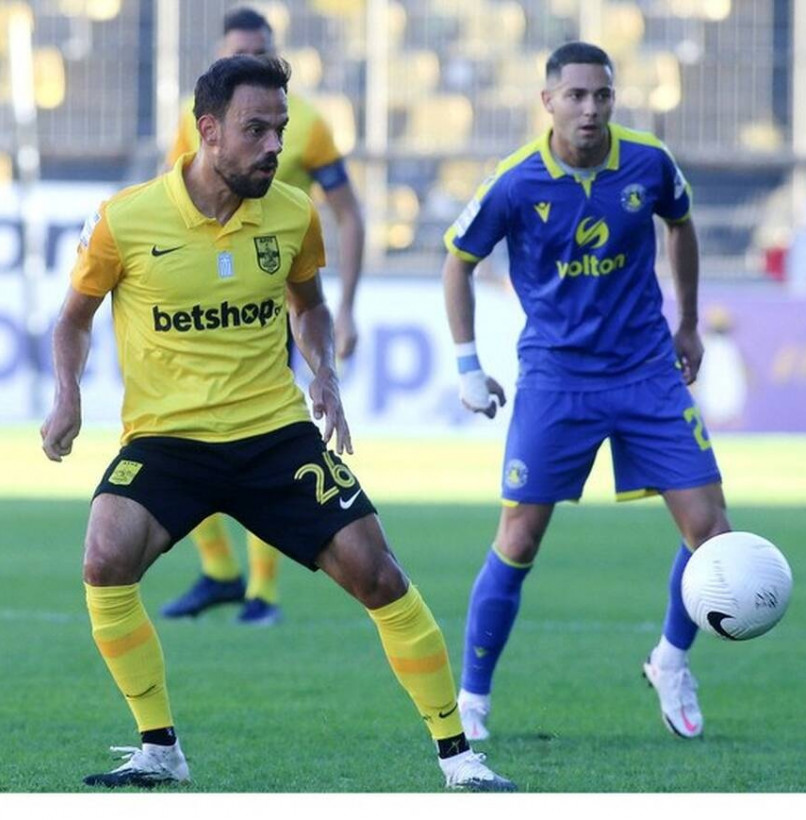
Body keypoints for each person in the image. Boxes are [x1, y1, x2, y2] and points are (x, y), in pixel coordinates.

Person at [40, 54, 514, 792]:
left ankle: (460, 758)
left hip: (273, 437)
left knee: (379, 574)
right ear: (208, 131)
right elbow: (73, 319)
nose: (273, 147)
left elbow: (309, 306)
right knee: (104, 559)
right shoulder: (126, 219)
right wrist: (67, 394)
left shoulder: (292, 213)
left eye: (280, 130)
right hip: (168, 442)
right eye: (255, 130)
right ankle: (159, 748)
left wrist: (323, 372)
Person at [441, 41, 732, 742]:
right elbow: (458, 261)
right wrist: (467, 365)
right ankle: (471, 700)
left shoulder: (648, 161)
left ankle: (670, 660)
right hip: (557, 377)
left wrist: (689, 323)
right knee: (519, 538)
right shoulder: (515, 182)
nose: (590, 108)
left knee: (711, 533)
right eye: (575, 95)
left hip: (646, 371)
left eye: (602, 95)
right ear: (548, 101)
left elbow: (681, 224)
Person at [161, 6, 365, 626]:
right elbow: (171, 202)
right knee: (177, 434)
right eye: (238, 52)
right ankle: (221, 572)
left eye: (259, 50)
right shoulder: (193, 122)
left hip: (268, 309)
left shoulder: (307, 125)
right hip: (198, 311)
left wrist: (346, 307)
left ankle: (264, 592)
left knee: (258, 439)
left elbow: (348, 213)